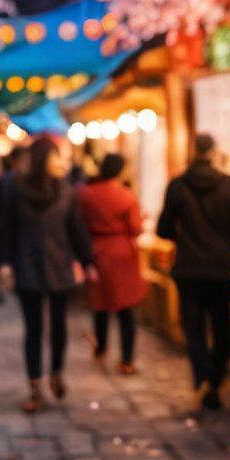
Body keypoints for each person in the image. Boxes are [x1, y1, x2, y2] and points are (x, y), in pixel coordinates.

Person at [0, 136, 95, 413]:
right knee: (34, 329)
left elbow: (75, 227)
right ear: (43, 160)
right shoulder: (16, 189)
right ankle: (35, 385)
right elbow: (6, 227)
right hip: (29, 266)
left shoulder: (65, 189)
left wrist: (87, 260)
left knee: (59, 326)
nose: (59, 162)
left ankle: (56, 373)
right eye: (55, 157)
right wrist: (3, 261)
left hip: (58, 264)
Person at [157, 133, 230, 410]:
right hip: (221, 266)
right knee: (222, 324)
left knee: (193, 325)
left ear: (193, 151)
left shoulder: (177, 186)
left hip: (189, 267)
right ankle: (216, 379)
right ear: (214, 152)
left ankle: (201, 373)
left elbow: (164, 228)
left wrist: (185, 237)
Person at [76, 153, 146, 374]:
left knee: (101, 304)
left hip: (96, 250)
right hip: (121, 253)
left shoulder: (86, 193)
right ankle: (127, 360)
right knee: (125, 309)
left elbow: (79, 222)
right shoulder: (125, 196)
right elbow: (135, 229)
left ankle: (101, 348)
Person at [0, 146, 26, 305]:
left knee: (1, 262)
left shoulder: (4, 180)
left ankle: (0, 291)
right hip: (13, 230)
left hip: (2, 228)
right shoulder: (18, 180)